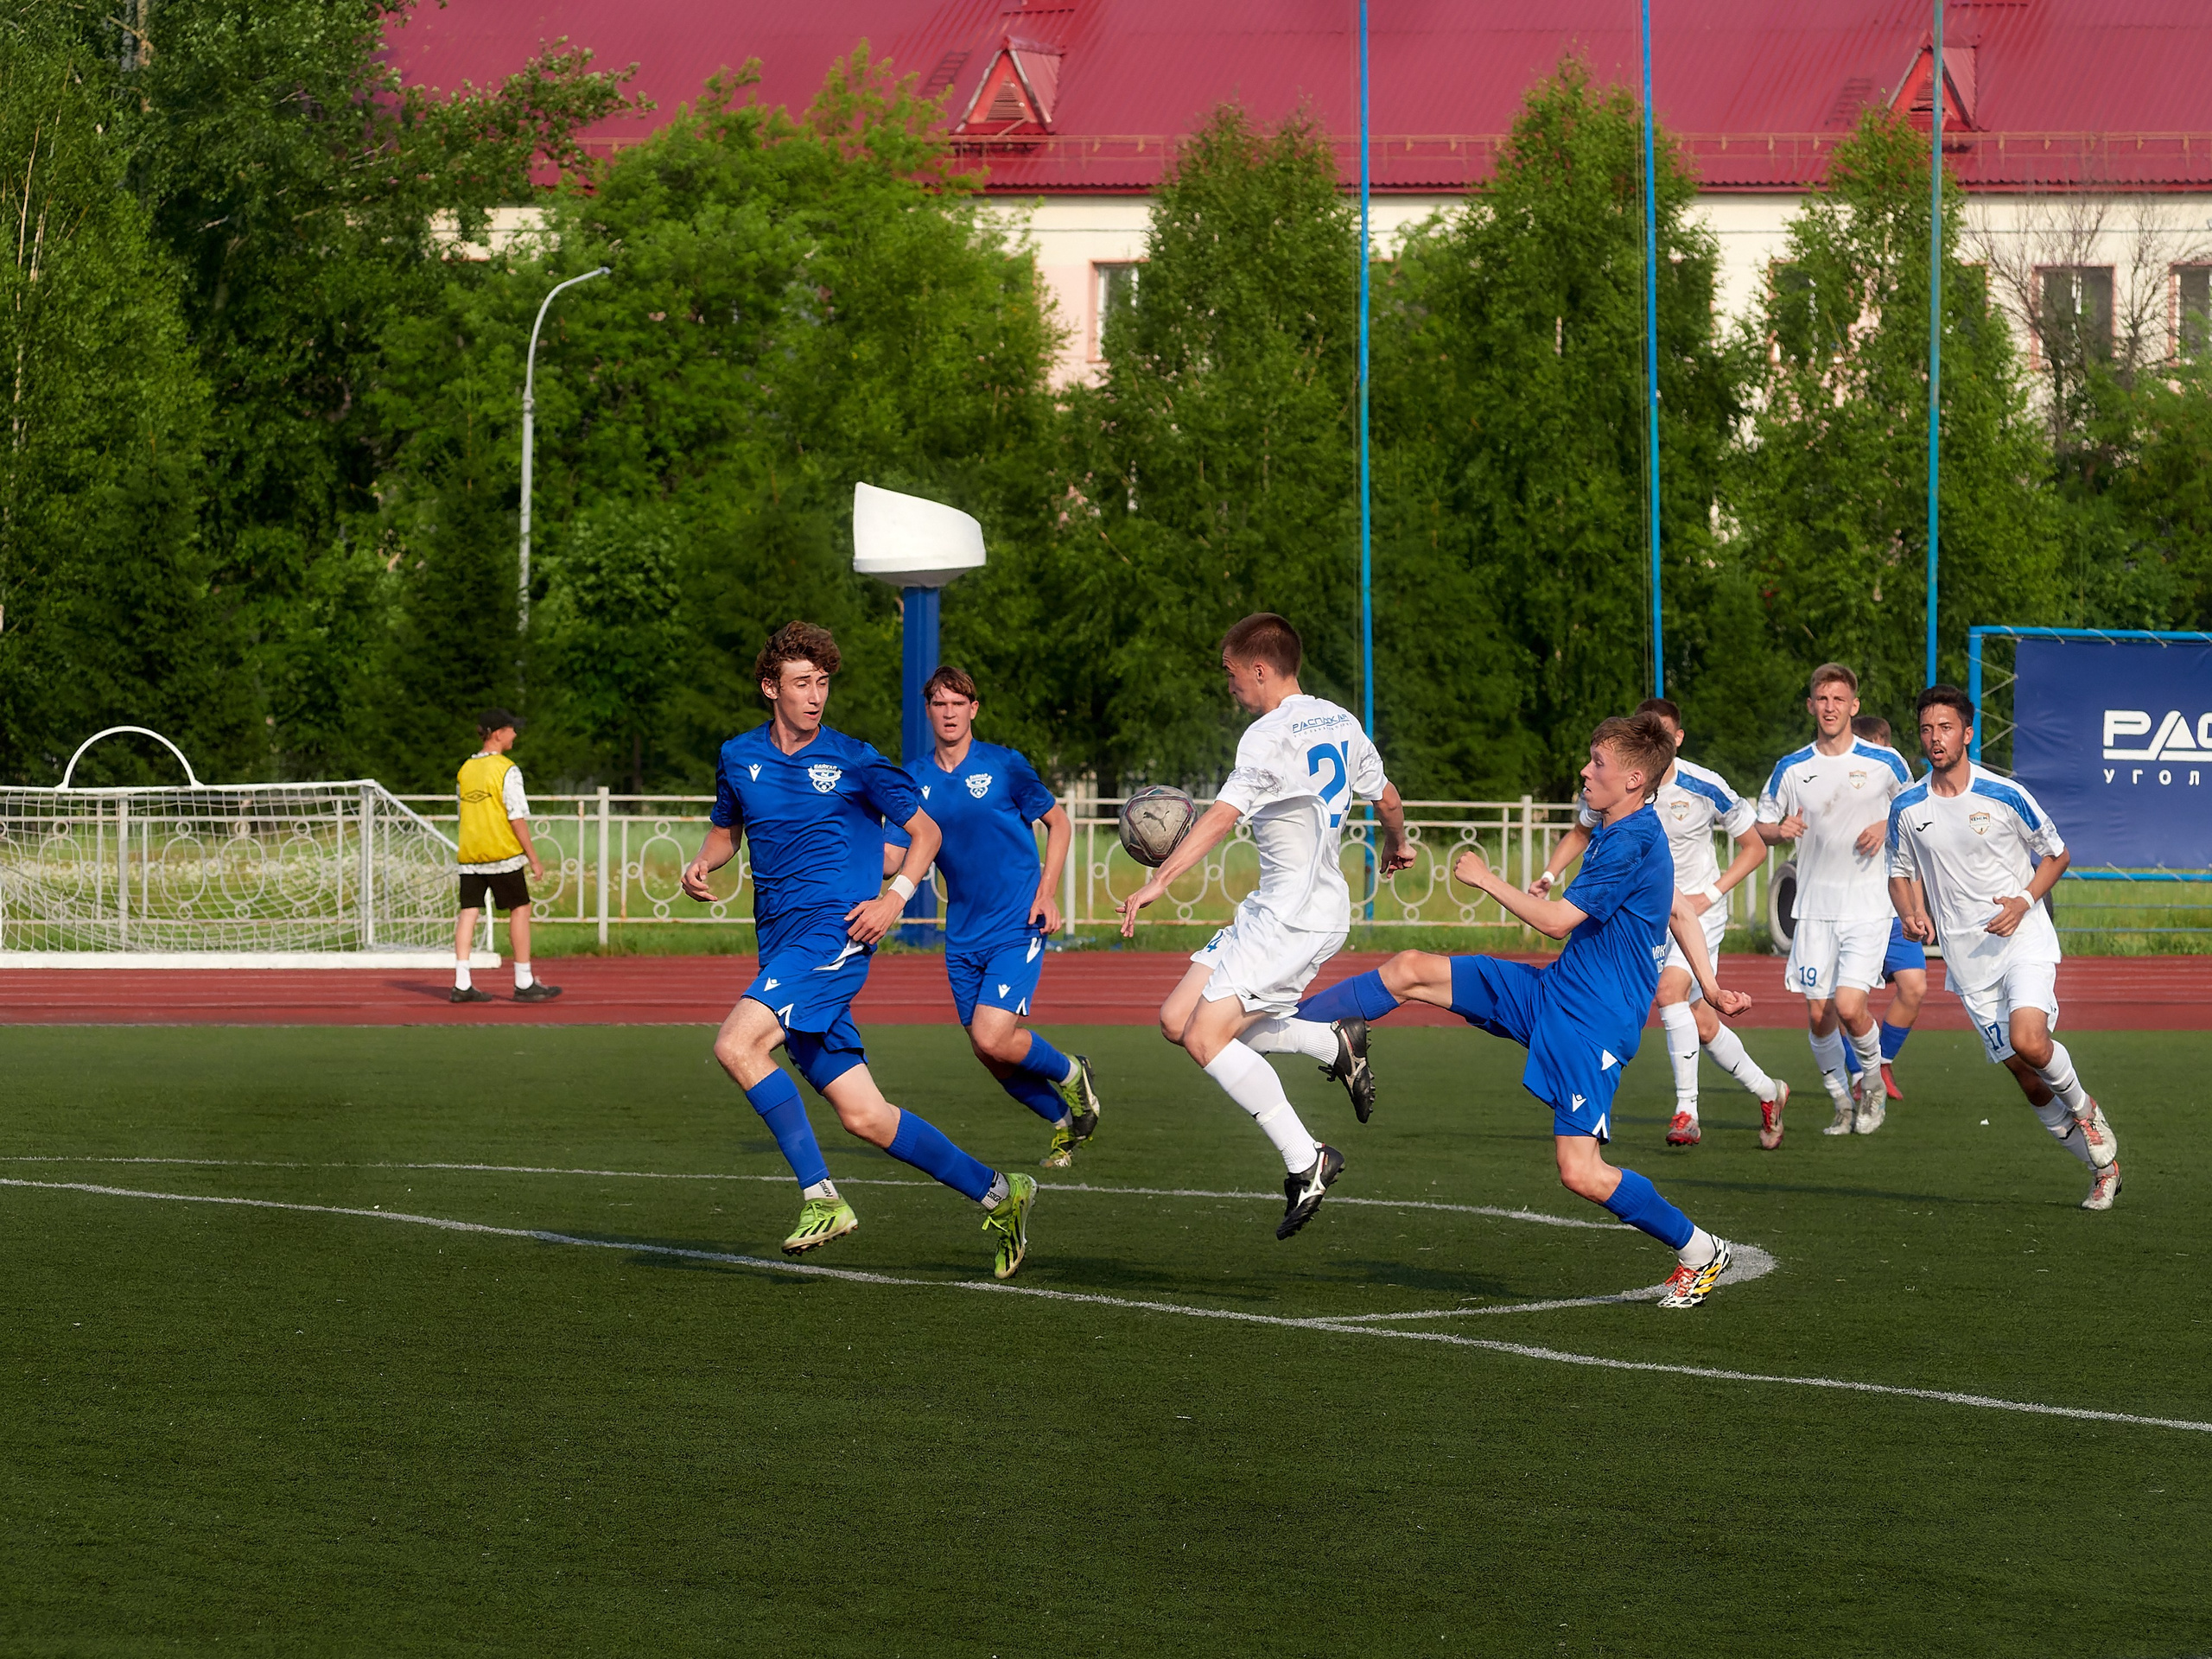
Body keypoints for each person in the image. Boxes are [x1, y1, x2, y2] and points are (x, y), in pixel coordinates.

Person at [1297, 713, 1751, 1309]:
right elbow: (1682, 913)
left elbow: (1558, 921)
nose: (1586, 772)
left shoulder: (1635, 839)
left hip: (1593, 1026)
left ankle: (1700, 1251)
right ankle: (1286, 1024)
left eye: (1599, 765)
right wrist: (1713, 990)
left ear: (1635, 778)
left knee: (1581, 1172)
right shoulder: (1628, 830)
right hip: (1554, 993)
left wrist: (1487, 880)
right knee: (1410, 968)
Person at [681, 621, 1039, 1277]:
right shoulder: (738, 756)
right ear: (770, 687)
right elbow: (726, 832)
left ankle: (822, 1197)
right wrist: (702, 864)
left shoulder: (855, 757)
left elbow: (924, 833)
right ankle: (1000, 1192)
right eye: (800, 683)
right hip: (781, 945)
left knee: (736, 1044)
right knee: (865, 1116)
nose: (815, 695)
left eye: (822, 683)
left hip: (833, 936)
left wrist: (894, 898)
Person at [1117, 613, 1413, 1240]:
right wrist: (1397, 842)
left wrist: (1159, 881)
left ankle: (1307, 1160)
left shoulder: (1266, 736)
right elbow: (1385, 794)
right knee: (1178, 1020)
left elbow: (1222, 817)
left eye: (1230, 674)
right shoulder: (1341, 719)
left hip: (1295, 917)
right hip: (1276, 908)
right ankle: (1332, 1042)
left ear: (1259, 668)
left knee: (1206, 1039)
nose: (1229, 687)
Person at [1887, 686, 2120, 1209]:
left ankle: (2086, 1111)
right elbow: (1899, 874)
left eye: (1945, 728)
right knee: (2027, 1077)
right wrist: (1910, 913)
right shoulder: (1906, 806)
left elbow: (2056, 855)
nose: (1935, 738)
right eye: (1927, 729)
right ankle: (2101, 1168)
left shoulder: (2005, 794)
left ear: (1967, 734)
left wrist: (2022, 900)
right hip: (1967, 960)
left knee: (2032, 1042)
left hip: (2024, 939)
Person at [1530, 697, 1786, 1150]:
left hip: (1694, 914)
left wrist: (1708, 894)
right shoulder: (1617, 785)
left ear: (1678, 739)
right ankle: (1770, 1091)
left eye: (1663, 737)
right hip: (1644, 914)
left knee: (1669, 994)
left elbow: (1754, 848)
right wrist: (1550, 875)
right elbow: (1581, 831)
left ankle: (1687, 1110)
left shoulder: (1705, 784)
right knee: (1701, 1024)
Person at [882, 665, 1102, 1168]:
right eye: (940, 704)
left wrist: (1047, 894)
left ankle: (1072, 1073)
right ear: (929, 711)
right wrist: (834, 848)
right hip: (961, 934)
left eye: (959, 703)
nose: (950, 713)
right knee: (989, 1052)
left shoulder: (1004, 765)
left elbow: (1059, 823)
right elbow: (894, 857)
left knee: (991, 1034)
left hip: (1016, 922)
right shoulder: (912, 779)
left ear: (973, 709)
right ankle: (1067, 1123)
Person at [1757, 664, 1912, 1135]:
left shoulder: (1885, 762)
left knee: (1849, 1006)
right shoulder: (1792, 767)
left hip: (1867, 907)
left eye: (1839, 700)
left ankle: (1872, 1085)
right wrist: (1776, 831)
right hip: (1815, 910)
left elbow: (1919, 808)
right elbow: (1759, 826)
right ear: (1811, 705)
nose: (1830, 708)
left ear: (1854, 706)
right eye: (1822, 700)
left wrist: (1888, 825)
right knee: (1819, 1014)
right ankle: (1841, 1102)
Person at [1840, 715, 1927, 1103]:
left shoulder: (1903, 800)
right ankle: (1860, 1072)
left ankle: (1882, 1062)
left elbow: (1915, 858)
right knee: (1836, 1005)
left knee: (1915, 986)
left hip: (1891, 910)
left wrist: (1918, 909)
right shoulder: (1832, 785)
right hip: (1845, 908)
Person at [451, 709, 561, 1005]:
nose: (515, 734)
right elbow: (516, 817)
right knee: (520, 908)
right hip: (501, 852)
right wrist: (533, 857)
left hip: (471, 854)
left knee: (469, 912)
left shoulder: (465, 769)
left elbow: (463, 813)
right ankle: (524, 980)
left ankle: (462, 982)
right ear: (498, 733)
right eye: (512, 729)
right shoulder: (507, 769)